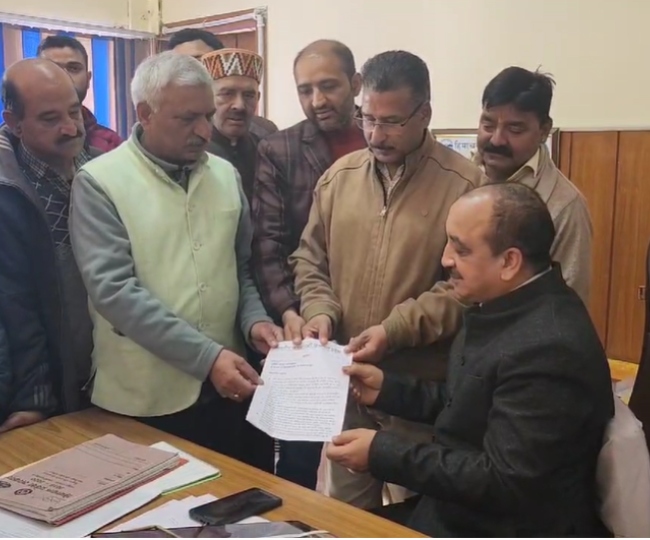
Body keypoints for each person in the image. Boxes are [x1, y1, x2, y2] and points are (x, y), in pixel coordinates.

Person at [327, 183, 614, 537]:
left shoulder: (550, 347)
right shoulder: (505, 305)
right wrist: (388, 390)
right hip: (459, 512)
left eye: (460, 249)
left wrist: (381, 453)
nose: (446, 259)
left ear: (509, 262)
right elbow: (469, 405)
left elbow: (506, 480)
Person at [290, 50, 485, 507]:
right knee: (345, 518)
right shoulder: (338, 179)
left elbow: (466, 290)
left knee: (417, 516)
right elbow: (310, 259)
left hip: (418, 395)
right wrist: (319, 310)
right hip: (347, 386)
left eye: (392, 122)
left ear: (425, 114)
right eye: (367, 118)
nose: (376, 135)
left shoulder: (465, 187)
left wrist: (393, 331)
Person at [69, 52, 282, 464]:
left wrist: (254, 320)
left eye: (207, 115)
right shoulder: (100, 182)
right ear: (145, 114)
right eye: (187, 119)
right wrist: (207, 357)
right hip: (146, 398)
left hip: (228, 388)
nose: (204, 130)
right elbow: (115, 293)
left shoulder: (225, 174)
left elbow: (239, 270)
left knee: (247, 499)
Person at [251, 39, 365, 490]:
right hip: (306, 333)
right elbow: (268, 244)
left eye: (329, 86)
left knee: (362, 459)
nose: (317, 100)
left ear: (356, 84)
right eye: (305, 90)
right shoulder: (279, 149)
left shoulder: (380, 139)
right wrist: (288, 311)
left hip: (370, 324)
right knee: (298, 463)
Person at [0, 59, 99, 431]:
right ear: (14, 123)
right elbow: (14, 305)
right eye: (49, 118)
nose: (70, 127)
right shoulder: (9, 194)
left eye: (74, 111)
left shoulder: (105, 170)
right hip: (53, 387)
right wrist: (36, 396)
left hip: (115, 376)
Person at [476, 66, 592, 304]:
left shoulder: (564, 206)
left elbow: (566, 306)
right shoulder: (462, 177)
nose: (497, 139)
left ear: (544, 131)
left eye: (514, 129)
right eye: (488, 125)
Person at [168, 28, 278, 139]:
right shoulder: (169, 135)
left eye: (200, 63)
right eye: (182, 66)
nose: (192, 75)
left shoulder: (264, 133)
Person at [200, 48, 265, 205]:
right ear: (207, 97)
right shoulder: (192, 153)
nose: (239, 105)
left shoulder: (265, 152)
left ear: (258, 98)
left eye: (248, 95)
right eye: (227, 94)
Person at [37, 35, 122, 152]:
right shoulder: (17, 140)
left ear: (88, 79)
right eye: (53, 68)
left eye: (74, 68)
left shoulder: (111, 145)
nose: (64, 77)